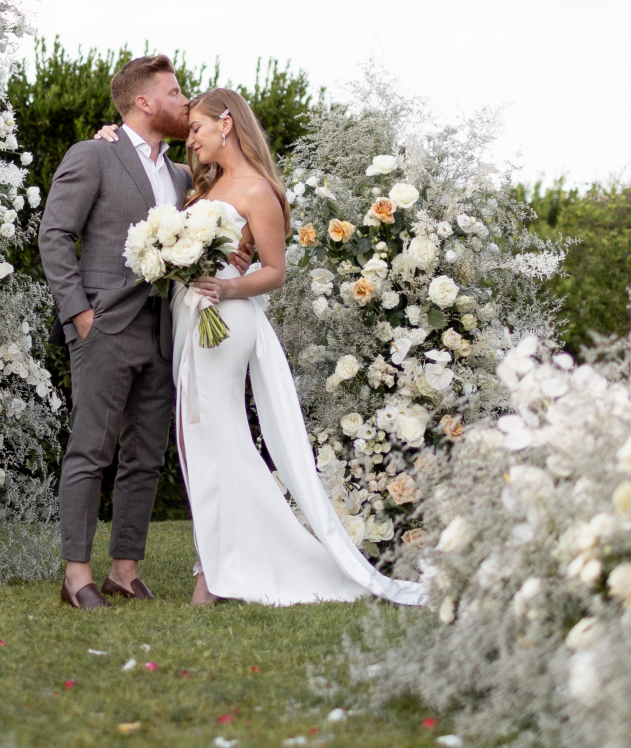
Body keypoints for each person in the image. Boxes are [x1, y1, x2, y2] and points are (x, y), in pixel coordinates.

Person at [94, 89, 423, 607]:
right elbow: (144, 172)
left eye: (198, 128)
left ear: (226, 124)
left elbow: (274, 272)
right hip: (192, 315)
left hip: (225, 318)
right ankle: (219, 564)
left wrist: (224, 288)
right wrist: (111, 140)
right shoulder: (204, 185)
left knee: (218, 440)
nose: (191, 140)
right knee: (202, 443)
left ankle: (216, 574)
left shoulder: (258, 190)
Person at [38, 55, 251, 608]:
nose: (185, 101)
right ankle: (77, 574)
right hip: (105, 325)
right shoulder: (94, 154)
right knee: (91, 450)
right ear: (144, 101)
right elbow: (54, 234)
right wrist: (79, 314)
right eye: (175, 92)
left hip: (165, 331)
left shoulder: (182, 176)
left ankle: (124, 571)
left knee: (146, 456)